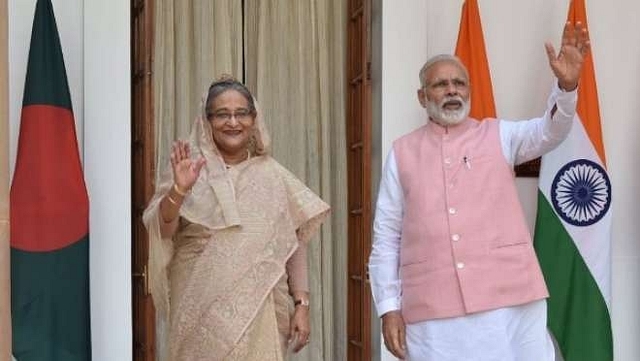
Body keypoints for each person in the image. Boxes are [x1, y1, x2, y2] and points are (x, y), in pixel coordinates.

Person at [368, 22, 590, 360]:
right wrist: (388, 307)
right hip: (433, 308)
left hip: (509, 300)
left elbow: (550, 131)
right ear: (422, 96)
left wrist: (567, 85)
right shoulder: (401, 153)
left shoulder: (499, 135)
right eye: (441, 84)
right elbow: (386, 236)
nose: (452, 90)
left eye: (459, 83)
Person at [142, 76, 330, 361]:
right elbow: (163, 230)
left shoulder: (273, 176)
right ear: (207, 121)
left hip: (259, 311)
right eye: (222, 114)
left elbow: (294, 245)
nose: (233, 122)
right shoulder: (189, 169)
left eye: (241, 113)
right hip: (198, 309)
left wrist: (301, 304)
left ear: (254, 119)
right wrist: (179, 190)